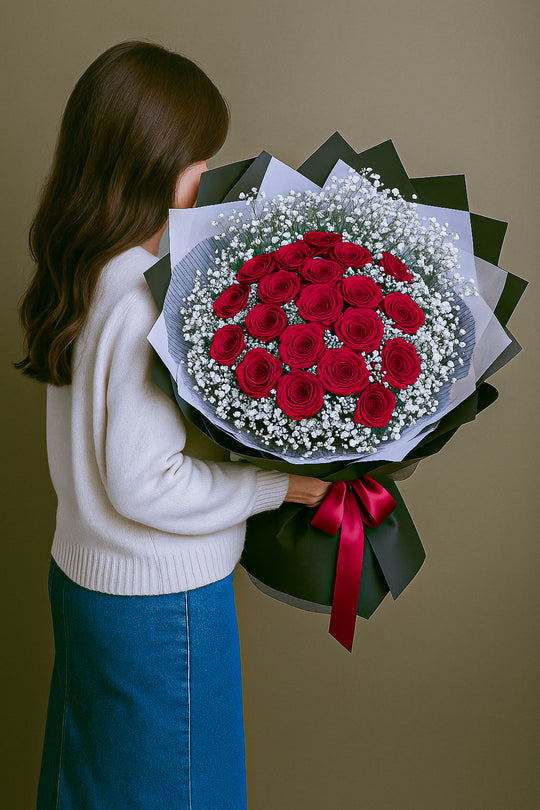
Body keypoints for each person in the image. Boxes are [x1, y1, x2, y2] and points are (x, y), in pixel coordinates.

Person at [16, 40, 330, 809]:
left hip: (86, 586)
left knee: (91, 787)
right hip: (160, 613)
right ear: (151, 159)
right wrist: (280, 485)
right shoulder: (140, 299)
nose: (211, 178)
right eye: (201, 159)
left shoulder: (86, 270)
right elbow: (143, 483)